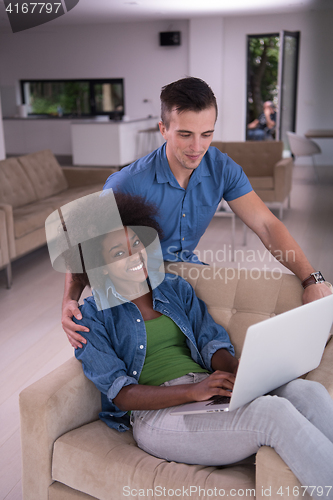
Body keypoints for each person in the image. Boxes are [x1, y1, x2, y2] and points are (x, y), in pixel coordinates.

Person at [58, 192, 333, 499]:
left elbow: (210, 342)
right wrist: (192, 392)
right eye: (119, 253)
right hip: (159, 418)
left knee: (307, 391)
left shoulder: (174, 289)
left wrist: (242, 371)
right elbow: (121, 395)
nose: (136, 257)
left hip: (207, 390)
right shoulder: (90, 318)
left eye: (137, 244)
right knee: (274, 414)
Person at [62, 77, 331, 348]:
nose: (197, 147)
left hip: (188, 273)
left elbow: (266, 225)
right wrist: (69, 301)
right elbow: (84, 249)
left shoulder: (222, 168)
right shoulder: (127, 183)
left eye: (207, 134)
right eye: (185, 134)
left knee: (280, 303)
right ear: (163, 129)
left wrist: (312, 279)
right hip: (138, 286)